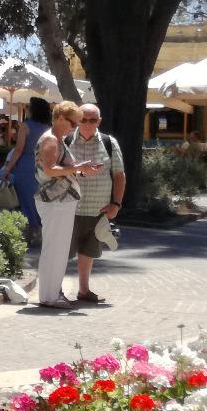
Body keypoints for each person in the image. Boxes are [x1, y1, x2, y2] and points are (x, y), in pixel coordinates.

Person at [33, 101, 103, 309]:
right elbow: (50, 169)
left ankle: (51, 294)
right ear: (60, 118)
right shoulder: (51, 140)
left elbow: (59, 169)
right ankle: (49, 296)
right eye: (73, 122)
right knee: (55, 249)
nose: (74, 127)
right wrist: (78, 168)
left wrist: (80, 170)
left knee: (57, 249)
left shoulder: (56, 139)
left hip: (59, 201)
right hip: (55, 202)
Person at [65, 104, 126, 304]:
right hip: (68, 207)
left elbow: (119, 175)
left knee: (88, 252)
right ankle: (55, 288)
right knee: (62, 251)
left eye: (93, 120)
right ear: (77, 120)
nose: (88, 123)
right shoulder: (65, 141)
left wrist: (116, 204)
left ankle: (83, 290)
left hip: (97, 209)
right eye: (84, 119)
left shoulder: (109, 143)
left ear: (99, 121)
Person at [0, 97, 53, 244]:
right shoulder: (49, 128)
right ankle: (41, 229)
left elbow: (18, 150)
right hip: (43, 166)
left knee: (26, 199)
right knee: (40, 198)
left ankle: (31, 229)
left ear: (33, 110)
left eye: (29, 107)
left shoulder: (26, 126)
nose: (27, 109)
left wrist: (8, 168)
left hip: (26, 166)